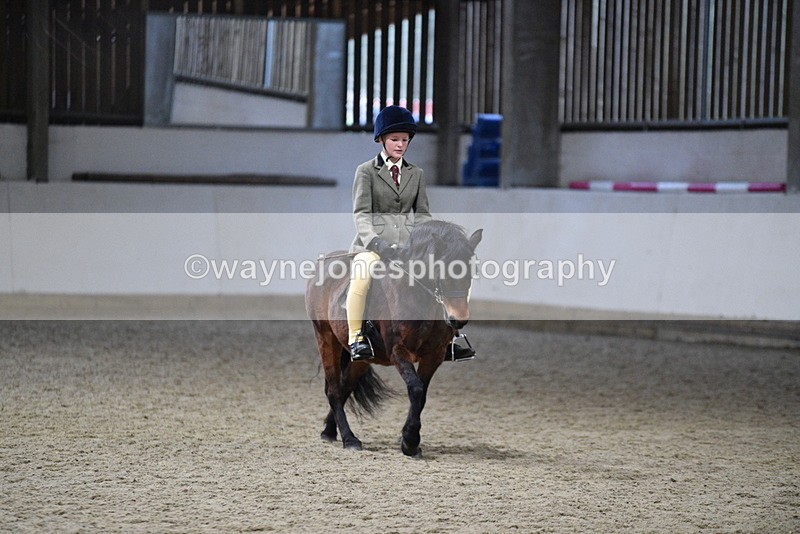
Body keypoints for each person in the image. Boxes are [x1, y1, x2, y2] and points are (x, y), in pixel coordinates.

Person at [345, 105, 476, 362]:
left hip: (411, 247)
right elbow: (361, 214)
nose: (400, 144)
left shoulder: (416, 174)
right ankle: (356, 338)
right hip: (372, 246)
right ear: (382, 139)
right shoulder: (366, 172)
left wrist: (427, 241)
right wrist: (376, 243)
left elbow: (423, 214)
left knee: (453, 276)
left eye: (404, 140)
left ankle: (450, 340)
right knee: (361, 278)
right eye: (395, 139)